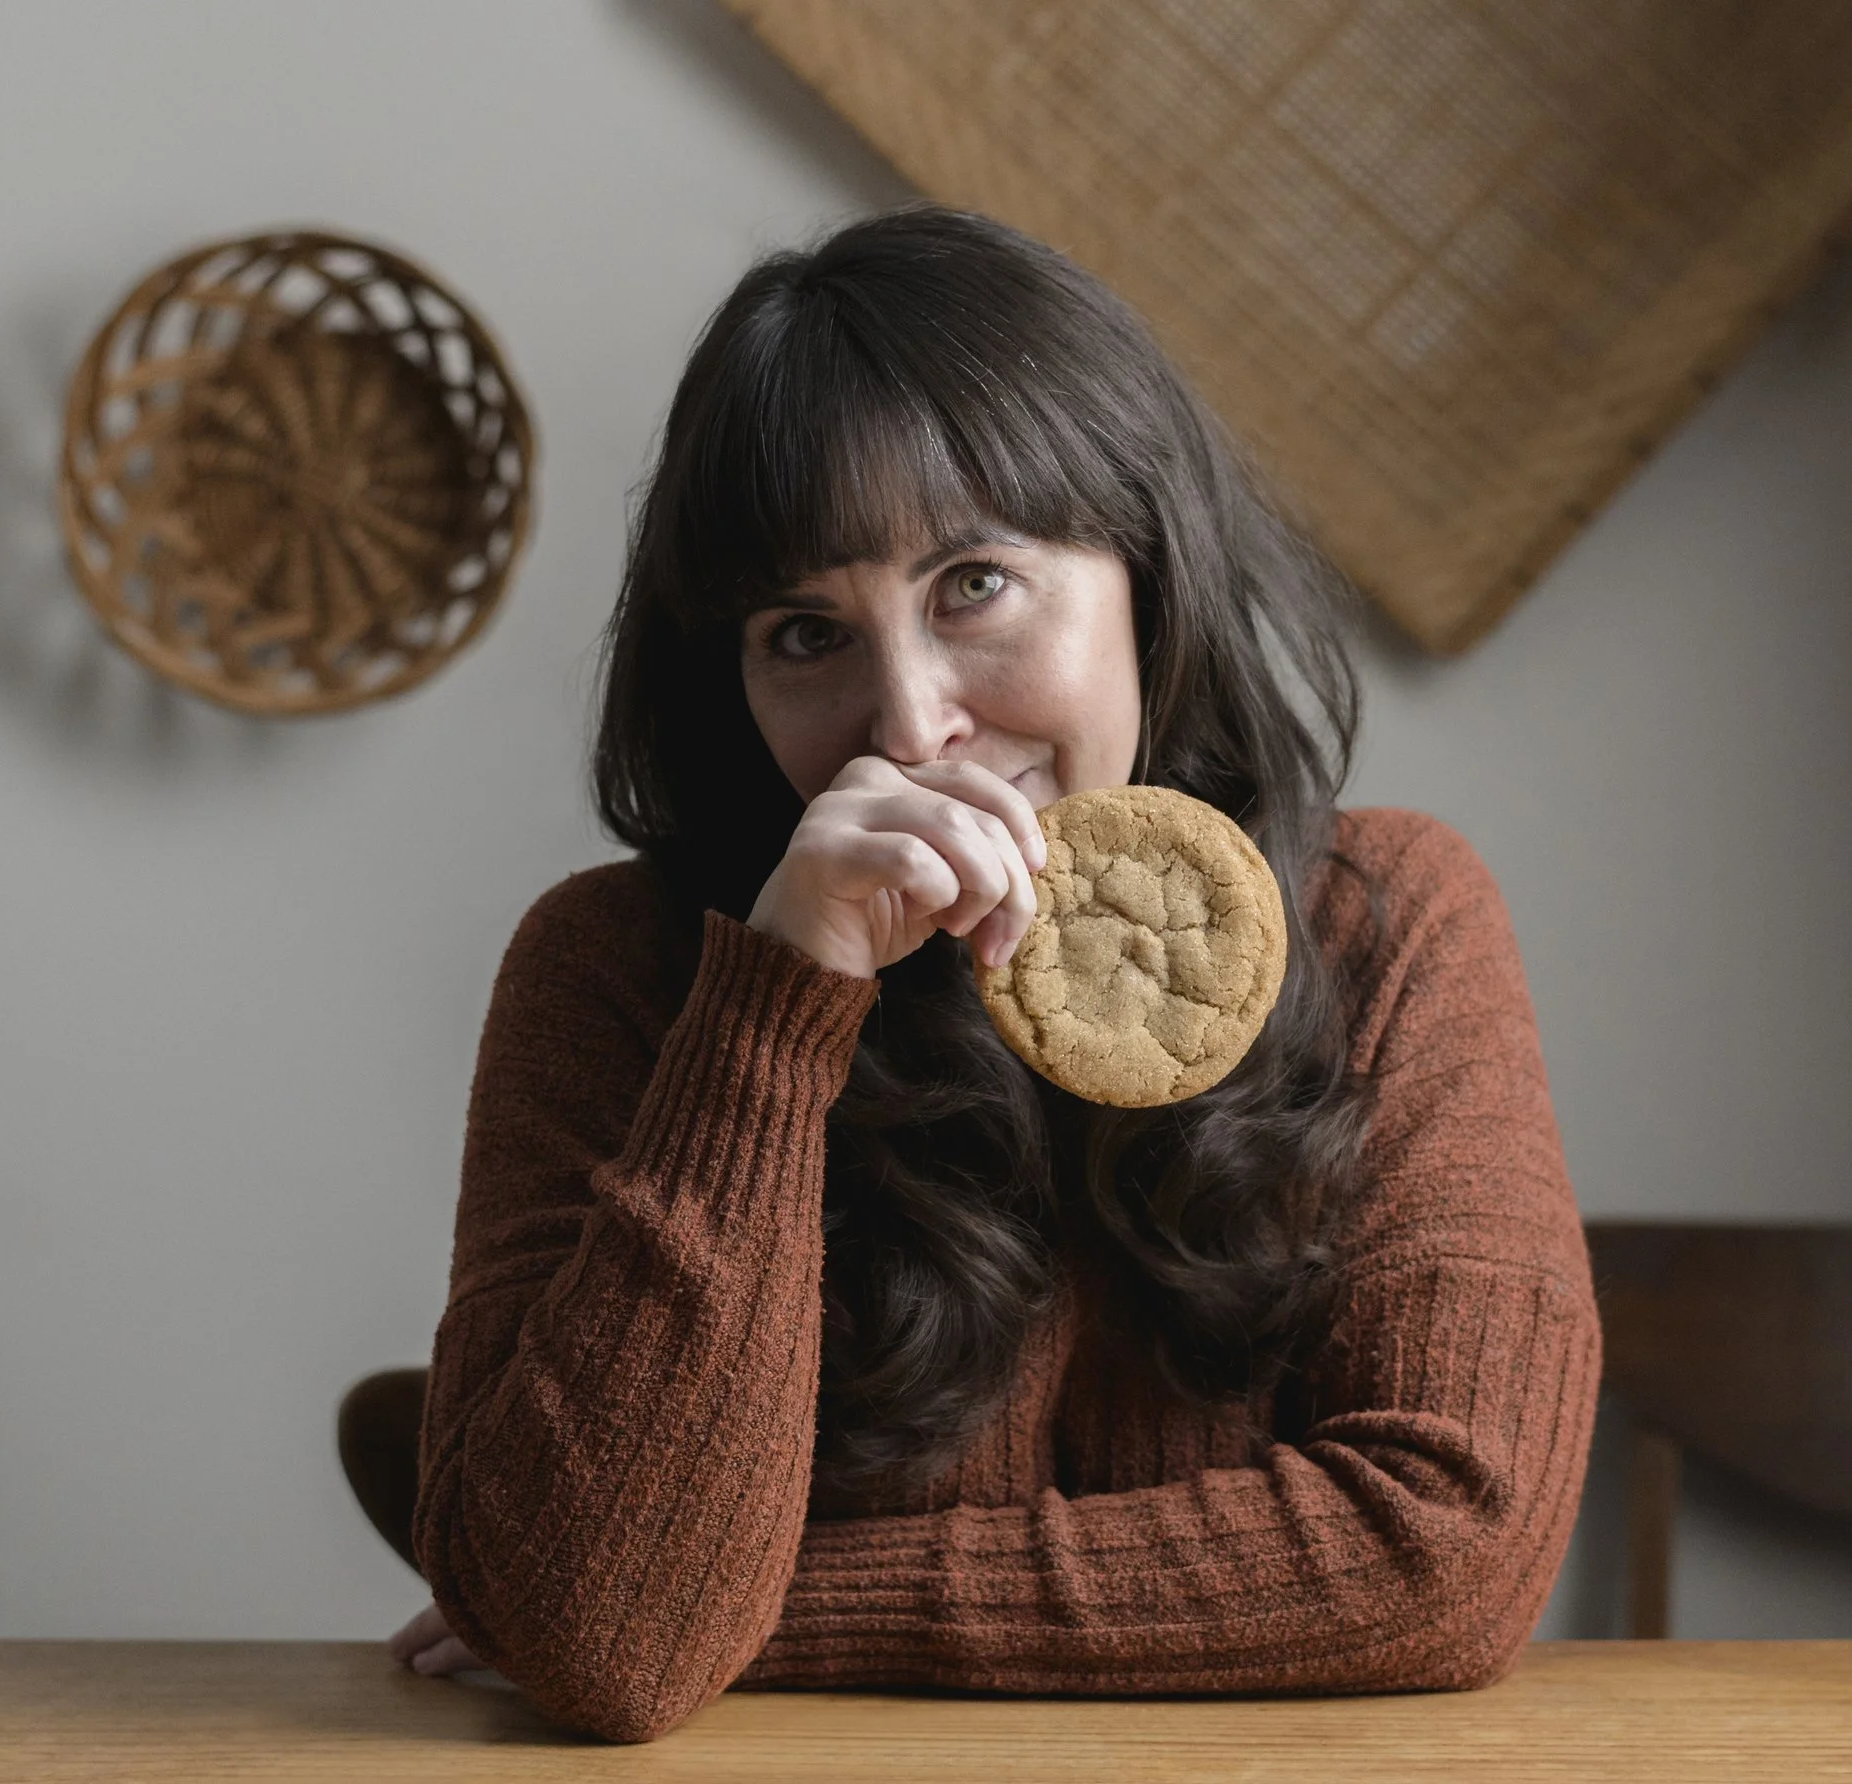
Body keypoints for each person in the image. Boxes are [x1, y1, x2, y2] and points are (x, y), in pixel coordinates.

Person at [383, 204, 1599, 1743]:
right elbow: (612, 1649)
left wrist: (772, 1608)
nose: (906, 726)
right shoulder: (614, 973)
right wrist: (776, 1008)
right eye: (806, 631)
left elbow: (1448, 1553)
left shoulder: (1386, 927)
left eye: (974, 584)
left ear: (1145, 570)